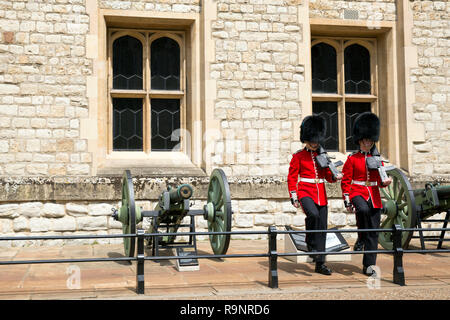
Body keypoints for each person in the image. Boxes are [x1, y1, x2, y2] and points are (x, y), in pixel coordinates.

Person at [288, 115, 343, 276]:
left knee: (322, 229)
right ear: (306, 139)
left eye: (316, 140)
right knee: (312, 214)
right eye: (311, 139)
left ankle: (320, 263)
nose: (314, 142)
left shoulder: (323, 156)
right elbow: (292, 177)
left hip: (321, 194)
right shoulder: (298, 156)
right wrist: (294, 195)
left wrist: (334, 176)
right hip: (305, 191)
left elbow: (327, 176)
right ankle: (309, 241)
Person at [341, 112, 392, 276]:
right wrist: (347, 200)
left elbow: (381, 179)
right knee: (362, 210)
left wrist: (385, 182)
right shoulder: (352, 159)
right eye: (365, 140)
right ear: (360, 140)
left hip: (374, 195)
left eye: (370, 140)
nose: (367, 143)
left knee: (374, 234)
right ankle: (361, 236)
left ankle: (369, 266)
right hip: (357, 191)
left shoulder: (378, 160)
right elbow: (346, 181)